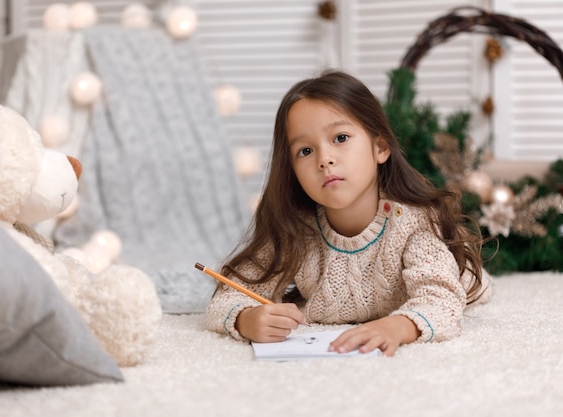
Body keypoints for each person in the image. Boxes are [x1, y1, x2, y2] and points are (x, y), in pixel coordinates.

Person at [205, 70, 491, 356]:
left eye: (340, 137)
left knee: (463, 281)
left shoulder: (413, 223)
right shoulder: (296, 228)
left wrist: (396, 327)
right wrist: (246, 319)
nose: (324, 159)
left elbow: (441, 301)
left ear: (379, 147)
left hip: (455, 277)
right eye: (305, 151)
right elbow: (227, 296)